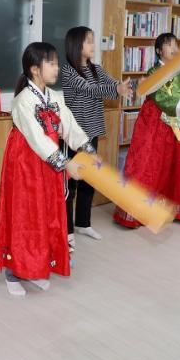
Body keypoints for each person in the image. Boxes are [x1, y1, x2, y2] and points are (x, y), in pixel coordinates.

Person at [0, 42, 96, 297]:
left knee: (44, 214)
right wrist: (66, 163)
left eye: (57, 63)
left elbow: (69, 124)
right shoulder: (22, 101)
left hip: (48, 163)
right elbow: (36, 138)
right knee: (24, 215)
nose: (57, 68)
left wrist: (86, 148)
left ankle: (34, 268)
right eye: (52, 63)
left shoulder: (55, 97)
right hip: (25, 164)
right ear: (35, 69)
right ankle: (13, 272)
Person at [113, 32, 180, 227]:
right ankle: (137, 211)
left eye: (176, 45)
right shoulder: (153, 73)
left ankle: (176, 209)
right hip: (154, 125)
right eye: (169, 45)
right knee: (148, 164)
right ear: (158, 51)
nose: (174, 48)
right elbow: (159, 97)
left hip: (178, 125)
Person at [61, 26, 131, 250]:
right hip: (73, 135)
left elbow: (109, 84)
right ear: (76, 45)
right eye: (89, 41)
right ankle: (66, 230)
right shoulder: (68, 71)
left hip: (91, 131)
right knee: (70, 183)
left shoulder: (96, 68)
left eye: (92, 41)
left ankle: (83, 223)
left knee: (89, 178)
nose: (93, 45)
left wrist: (120, 87)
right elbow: (90, 89)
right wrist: (116, 89)